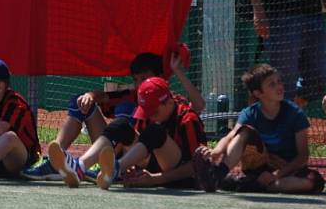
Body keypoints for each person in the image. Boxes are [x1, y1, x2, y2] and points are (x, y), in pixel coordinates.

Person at [23, 49, 203, 181]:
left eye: (153, 111)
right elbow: (137, 141)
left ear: (169, 101)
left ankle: (115, 169)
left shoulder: (187, 116)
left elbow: (194, 167)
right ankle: (79, 167)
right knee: (121, 124)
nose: (150, 115)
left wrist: (154, 179)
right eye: (136, 80)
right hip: (142, 160)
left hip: (171, 172)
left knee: (151, 129)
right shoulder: (142, 102)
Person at [193, 64, 325, 194]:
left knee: (312, 181)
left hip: (286, 170)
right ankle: (217, 174)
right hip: (258, 166)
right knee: (244, 131)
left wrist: (276, 175)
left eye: (279, 81)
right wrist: (215, 152)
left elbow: (303, 156)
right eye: (271, 84)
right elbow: (230, 137)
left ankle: (247, 184)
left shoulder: (295, 113)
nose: (279, 86)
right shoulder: (249, 113)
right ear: (258, 93)